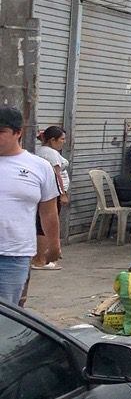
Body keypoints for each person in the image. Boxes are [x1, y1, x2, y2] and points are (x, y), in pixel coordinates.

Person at [0, 107, 60, 305]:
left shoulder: (39, 167)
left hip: (14, 254)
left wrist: (54, 244)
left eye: (1, 132)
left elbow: (49, 211)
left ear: (19, 132)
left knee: (8, 316)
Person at [32, 126, 70, 271]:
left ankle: (39, 258)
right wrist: (62, 194)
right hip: (50, 194)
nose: (63, 142)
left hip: (47, 193)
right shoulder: (50, 154)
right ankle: (41, 259)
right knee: (43, 226)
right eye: (62, 139)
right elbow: (57, 175)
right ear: (52, 140)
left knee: (40, 225)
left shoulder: (42, 152)